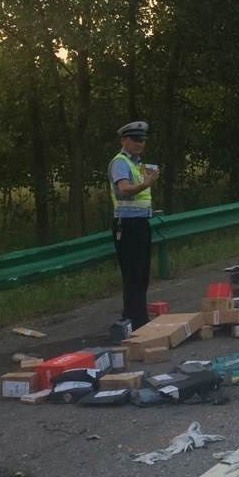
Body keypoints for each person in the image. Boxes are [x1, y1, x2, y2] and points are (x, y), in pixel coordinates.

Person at [109, 121, 158, 336]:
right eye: (135, 139)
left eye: (142, 140)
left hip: (139, 223)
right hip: (127, 225)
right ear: (124, 140)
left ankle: (135, 317)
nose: (139, 143)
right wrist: (145, 184)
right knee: (133, 273)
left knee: (141, 273)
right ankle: (135, 320)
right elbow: (123, 190)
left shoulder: (137, 164)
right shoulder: (120, 163)